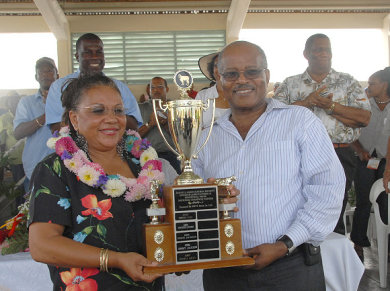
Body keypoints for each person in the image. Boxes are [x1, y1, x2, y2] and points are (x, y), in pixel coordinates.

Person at [192, 41, 345, 290]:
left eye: (251, 71)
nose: (242, 80)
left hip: (290, 267)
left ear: (267, 76)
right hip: (224, 271)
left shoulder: (299, 122)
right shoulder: (206, 137)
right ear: (219, 81)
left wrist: (285, 243)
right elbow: (192, 200)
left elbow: (327, 189)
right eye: (231, 74)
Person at [28, 75, 174, 290]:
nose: (112, 118)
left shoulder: (143, 163)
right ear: (74, 119)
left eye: (118, 110)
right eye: (98, 110)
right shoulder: (56, 168)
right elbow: (42, 246)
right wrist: (115, 259)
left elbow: (161, 228)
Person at [274, 33, 371, 235]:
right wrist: (307, 102)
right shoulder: (290, 84)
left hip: (339, 154)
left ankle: (334, 258)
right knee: (299, 206)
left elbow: (364, 118)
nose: (324, 54)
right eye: (318, 49)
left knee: (334, 208)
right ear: (306, 54)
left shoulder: (348, 82)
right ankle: (303, 254)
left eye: (328, 49)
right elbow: (274, 118)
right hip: (297, 155)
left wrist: (331, 107)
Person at [45, 33, 142, 133]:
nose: (95, 57)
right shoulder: (59, 87)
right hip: (74, 147)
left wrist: (107, 114)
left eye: (99, 52)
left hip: (114, 147)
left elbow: (133, 125)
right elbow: (56, 127)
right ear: (77, 56)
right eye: (88, 52)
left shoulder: (119, 87)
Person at [350, 69, 390, 261]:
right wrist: (359, 150)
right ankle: (358, 243)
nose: (368, 86)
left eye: (373, 83)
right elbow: (349, 131)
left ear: (385, 85)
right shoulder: (363, 104)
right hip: (365, 159)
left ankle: (386, 244)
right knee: (363, 201)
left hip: (386, 161)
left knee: (385, 201)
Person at [13, 57, 59, 191]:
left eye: (49, 71)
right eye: (41, 72)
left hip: (65, 168)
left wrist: (55, 104)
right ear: (36, 77)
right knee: (35, 211)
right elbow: (18, 133)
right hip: (35, 169)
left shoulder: (67, 101)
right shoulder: (26, 103)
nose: (45, 75)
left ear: (57, 75)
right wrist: (46, 115)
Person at [138, 77, 181, 173]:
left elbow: (181, 138)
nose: (156, 90)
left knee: (173, 185)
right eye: (152, 88)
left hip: (171, 155)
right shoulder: (141, 108)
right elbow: (135, 136)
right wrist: (150, 124)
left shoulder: (175, 108)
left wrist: (166, 124)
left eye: (160, 87)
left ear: (167, 89)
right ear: (148, 91)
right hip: (147, 156)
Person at [196, 52, 230, 129]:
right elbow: (196, 128)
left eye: (225, 65)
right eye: (216, 65)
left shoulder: (241, 95)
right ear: (212, 69)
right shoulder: (202, 96)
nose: (220, 69)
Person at [0, 92, 25, 191]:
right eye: (11, 101)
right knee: (19, 186)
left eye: (16, 100)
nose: (14, 103)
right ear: (7, 103)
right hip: (15, 158)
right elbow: (1, 140)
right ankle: (20, 205)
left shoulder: (25, 115)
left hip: (28, 155)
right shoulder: (4, 118)